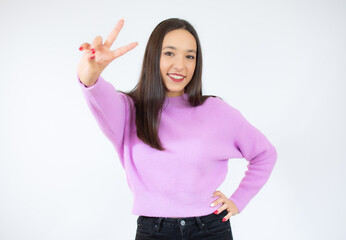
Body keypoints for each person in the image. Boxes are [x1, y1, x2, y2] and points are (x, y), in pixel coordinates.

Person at [77, 18, 277, 240]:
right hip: (153, 231)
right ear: (153, 56)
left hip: (210, 229)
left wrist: (239, 200)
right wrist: (90, 72)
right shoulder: (128, 110)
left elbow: (264, 154)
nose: (180, 65)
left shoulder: (216, 111)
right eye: (170, 53)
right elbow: (97, 93)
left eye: (190, 56)